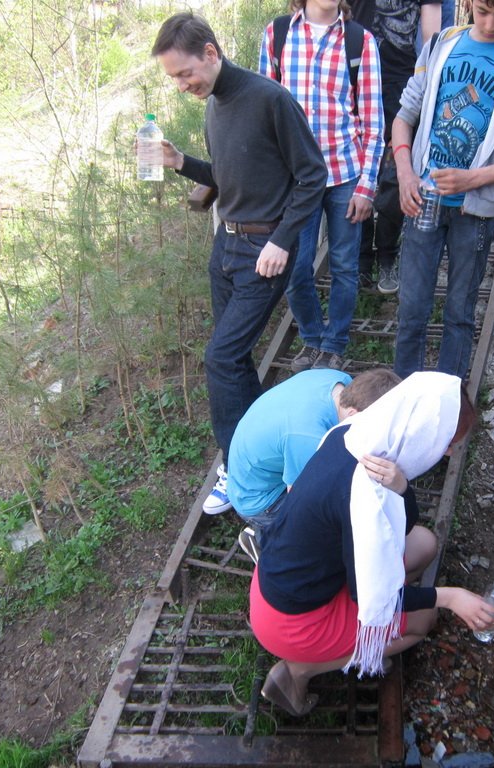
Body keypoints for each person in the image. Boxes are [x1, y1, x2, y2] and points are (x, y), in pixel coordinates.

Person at [150, 13, 327, 514]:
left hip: (264, 253)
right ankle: (260, 454)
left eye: (185, 73)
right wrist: (181, 163)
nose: (182, 85)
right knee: (235, 359)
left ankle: (238, 466)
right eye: (174, 78)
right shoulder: (214, 105)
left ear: (210, 52)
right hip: (225, 248)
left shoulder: (269, 99)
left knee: (221, 358)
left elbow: (312, 175)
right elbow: (229, 178)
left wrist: (283, 241)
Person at [250, 372, 494, 716]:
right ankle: (299, 669)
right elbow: (370, 596)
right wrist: (450, 597)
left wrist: (401, 487)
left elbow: (405, 524)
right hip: (290, 621)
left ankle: (349, 636)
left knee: (424, 543)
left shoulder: (355, 433)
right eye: (447, 442)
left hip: (281, 581)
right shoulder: (361, 493)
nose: (447, 452)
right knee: (424, 619)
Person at [391, 0, 494, 380]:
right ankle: (403, 395)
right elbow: (404, 117)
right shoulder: (441, 45)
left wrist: (473, 179)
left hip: (477, 211)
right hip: (423, 199)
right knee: (411, 309)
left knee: (459, 313)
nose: (489, 24)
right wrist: (405, 174)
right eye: (482, 11)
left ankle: (449, 399)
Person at [259, 0, 385, 373]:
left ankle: (334, 345)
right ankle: (312, 338)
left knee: (344, 265)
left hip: (344, 171)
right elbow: (263, 110)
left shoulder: (360, 41)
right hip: (296, 178)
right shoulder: (278, 34)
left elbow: (373, 119)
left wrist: (367, 185)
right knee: (295, 266)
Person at [226, 367, 401, 559]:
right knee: (328, 530)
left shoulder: (338, 381)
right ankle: (267, 543)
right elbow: (300, 502)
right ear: (353, 414)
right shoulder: (308, 438)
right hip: (259, 500)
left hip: (253, 467)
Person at [348, 0, 442, 294]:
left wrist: (430, 83)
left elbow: (432, 36)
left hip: (400, 82)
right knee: (356, 173)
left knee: (393, 177)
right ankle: (362, 259)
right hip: (353, 78)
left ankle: (387, 254)